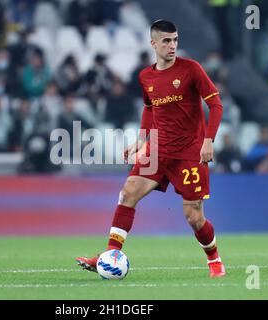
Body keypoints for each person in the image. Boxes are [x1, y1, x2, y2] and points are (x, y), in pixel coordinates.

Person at [76, 20, 225, 277]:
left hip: (190, 153)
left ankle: (214, 260)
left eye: (175, 40)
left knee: (194, 217)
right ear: (153, 43)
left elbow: (216, 106)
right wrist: (142, 138)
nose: (172, 45)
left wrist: (208, 140)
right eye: (166, 40)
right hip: (157, 149)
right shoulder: (146, 76)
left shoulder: (192, 69)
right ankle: (110, 254)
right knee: (128, 193)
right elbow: (149, 108)